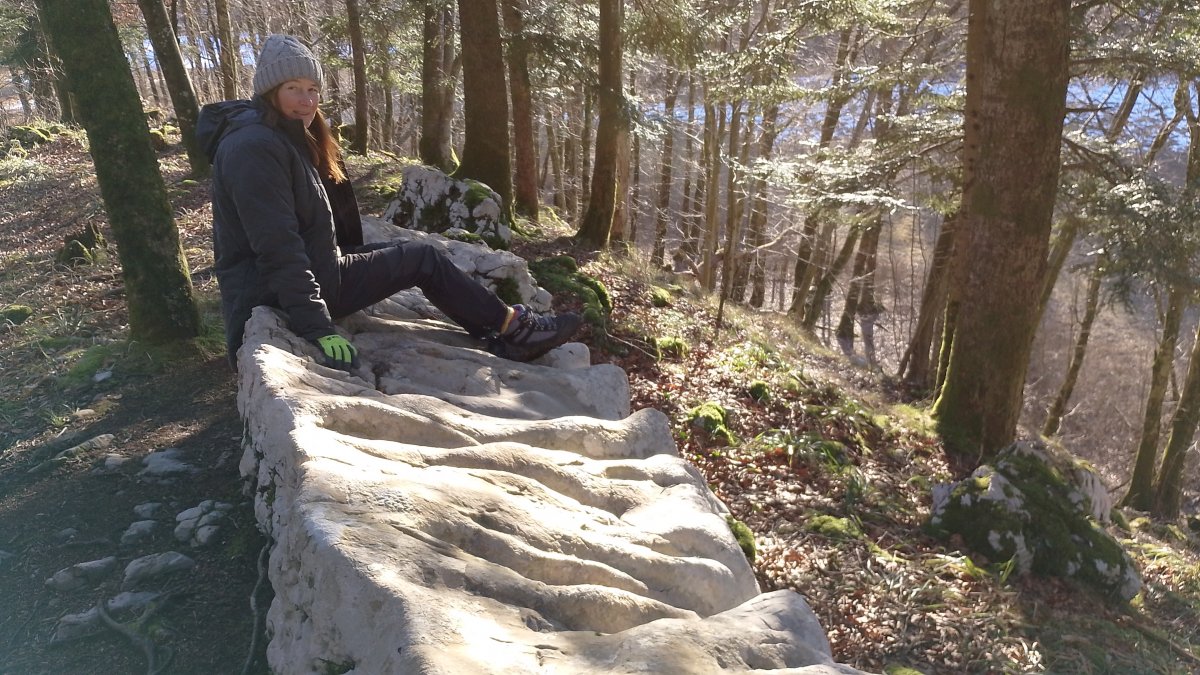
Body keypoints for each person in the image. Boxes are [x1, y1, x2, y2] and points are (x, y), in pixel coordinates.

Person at [196, 34, 580, 370]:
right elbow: (277, 246)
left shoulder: (277, 135)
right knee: (422, 259)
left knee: (414, 253)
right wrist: (316, 326)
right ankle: (513, 330)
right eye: (293, 88)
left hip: (312, 271)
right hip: (275, 294)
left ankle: (505, 323)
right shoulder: (254, 148)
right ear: (269, 91)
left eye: (312, 88)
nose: (306, 100)